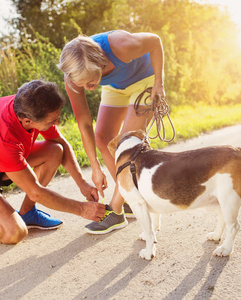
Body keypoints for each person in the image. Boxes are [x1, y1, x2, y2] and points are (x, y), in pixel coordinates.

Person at [0, 80, 106, 244]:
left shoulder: (30, 105)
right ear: (27, 120)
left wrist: (82, 184)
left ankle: (28, 213)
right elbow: (36, 192)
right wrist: (82, 209)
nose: (57, 122)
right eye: (51, 121)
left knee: (55, 151)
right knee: (13, 233)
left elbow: (61, 143)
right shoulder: (5, 136)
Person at [57, 30, 165, 234]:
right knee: (103, 138)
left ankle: (116, 211)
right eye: (81, 84)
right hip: (115, 87)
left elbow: (155, 42)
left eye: (90, 82)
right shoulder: (74, 76)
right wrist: (96, 168)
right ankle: (129, 194)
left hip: (145, 79)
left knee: (127, 142)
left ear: (100, 63)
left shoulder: (122, 45)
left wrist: (158, 83)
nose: (87, 89)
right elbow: (85, 124)